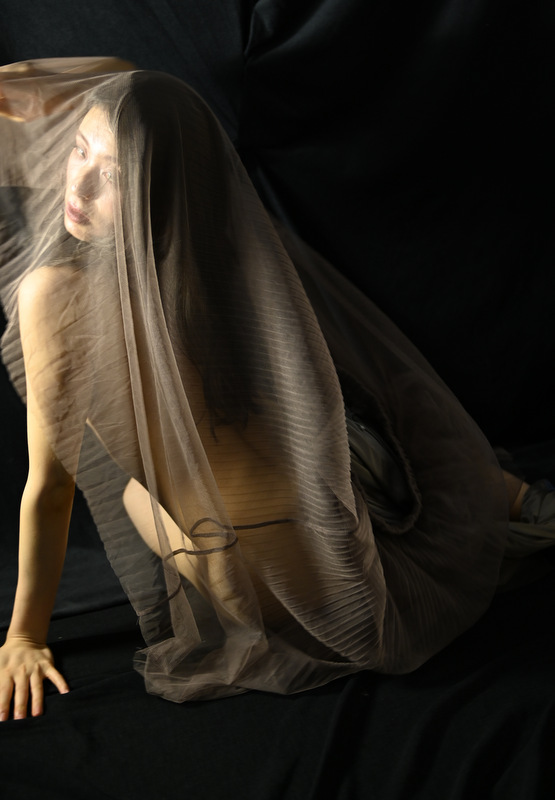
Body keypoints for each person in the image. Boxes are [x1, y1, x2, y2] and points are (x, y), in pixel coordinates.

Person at [0, 58, 552, 722]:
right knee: (358, 430)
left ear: (156, 184)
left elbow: (51, 488)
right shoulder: (213, 242)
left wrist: (24, 636)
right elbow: (161, 115)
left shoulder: (53, 296)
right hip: (335, 544)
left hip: (281, 592)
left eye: (113, 174)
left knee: (134, 494)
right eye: (77, 149)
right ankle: (510, 498)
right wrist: (80, 98)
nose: (78, 183)